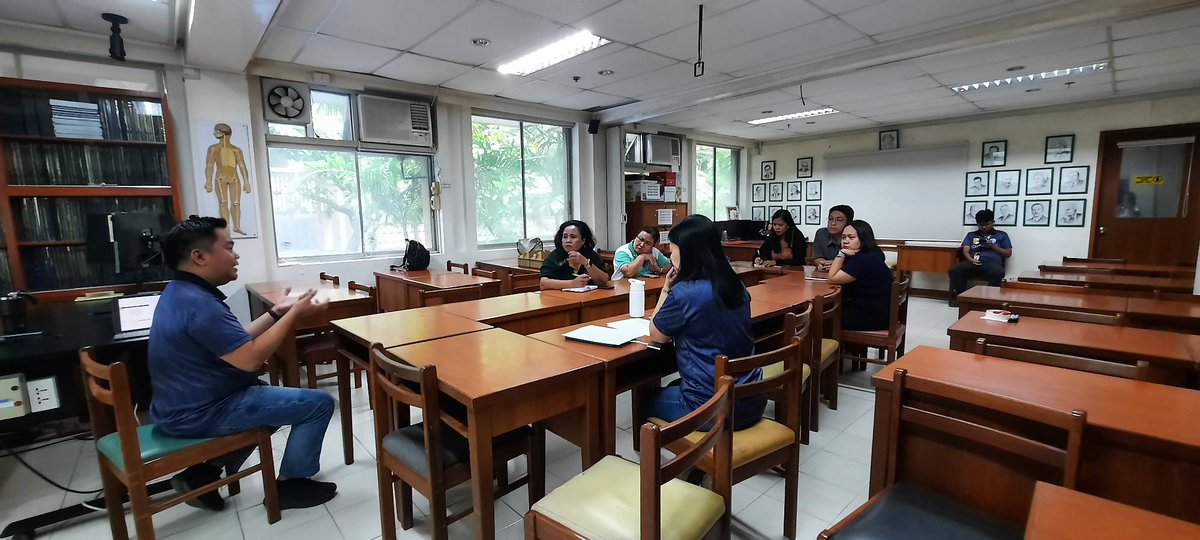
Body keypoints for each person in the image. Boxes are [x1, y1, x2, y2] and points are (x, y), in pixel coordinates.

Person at [150, 216, 337, 511]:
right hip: (202, 411)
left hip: (180, 406)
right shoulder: (200, 305)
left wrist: (277, 312)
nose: (236, 256)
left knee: (274, 402)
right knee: (319, 404)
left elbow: (235, 343)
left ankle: (204, 473)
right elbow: (250, 359)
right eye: (229, 247)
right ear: (199, 257)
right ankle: (292, 484)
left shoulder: (180, 293)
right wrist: (294, 315)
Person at [644, 214, 762, 430]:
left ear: (688, 252)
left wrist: (666, 288)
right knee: (674, 385)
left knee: (645, 402)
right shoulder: (735, 284)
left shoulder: (684, 293)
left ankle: (669, 458)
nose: (671, 256)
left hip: (712, 407)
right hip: (752, 399)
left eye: (673, 250)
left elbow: (656, 335)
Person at [828, 220, 894, 331]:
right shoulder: (873, 252)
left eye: (851, 237)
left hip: (871, 316)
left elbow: (832, 278)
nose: (846, 241)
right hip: (881, 312)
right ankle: (848, 348)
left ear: (863, 238)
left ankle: (833, 348)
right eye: (843, 237)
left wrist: (841, 253)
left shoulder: (863, 259)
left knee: (821, 318)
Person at [948, 209, 1012, 306]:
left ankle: (989, 301)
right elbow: (965, 250)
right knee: (954, 270)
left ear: (993, 222)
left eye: (987, 224)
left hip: (992, 264)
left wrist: (993, 247)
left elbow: (1008, 253)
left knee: (998, 272)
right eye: (980, 225)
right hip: (973, 262)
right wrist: (970, 259)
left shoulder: (1001, 235)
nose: (984, 227)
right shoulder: (971, 235)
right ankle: (962, 298)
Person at [204, 124, 252, 235]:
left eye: (216, 131)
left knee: (236, 203)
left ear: (222, 133)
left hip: (234, 177)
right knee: (223, 202)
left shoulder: (236, 150)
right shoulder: (214, 148)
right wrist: (209, 181)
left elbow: (242, 166)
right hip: (220, 177)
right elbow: (210, 165)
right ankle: (226, 227)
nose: (214, 133)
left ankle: (237, 226)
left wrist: (246, 182)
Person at [540, 219, 610, 290]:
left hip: (589, 297)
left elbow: (603, 281)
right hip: (561, 298)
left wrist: (586, 263)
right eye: (565, 237)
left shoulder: (590, 254)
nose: (568, 240)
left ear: (583, 240)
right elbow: (543, 283)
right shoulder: (555, 256)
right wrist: (572, 283)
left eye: (573, 237)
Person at [812, 205, 854, 271]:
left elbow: (859, 262)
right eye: (830, 219)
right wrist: (822, 264)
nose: (833, 223)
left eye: (839, 220)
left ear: (848, 223)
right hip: (825, 273)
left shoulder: (855, 236)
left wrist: (837, 265)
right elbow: (818, 257)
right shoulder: (821, 233)